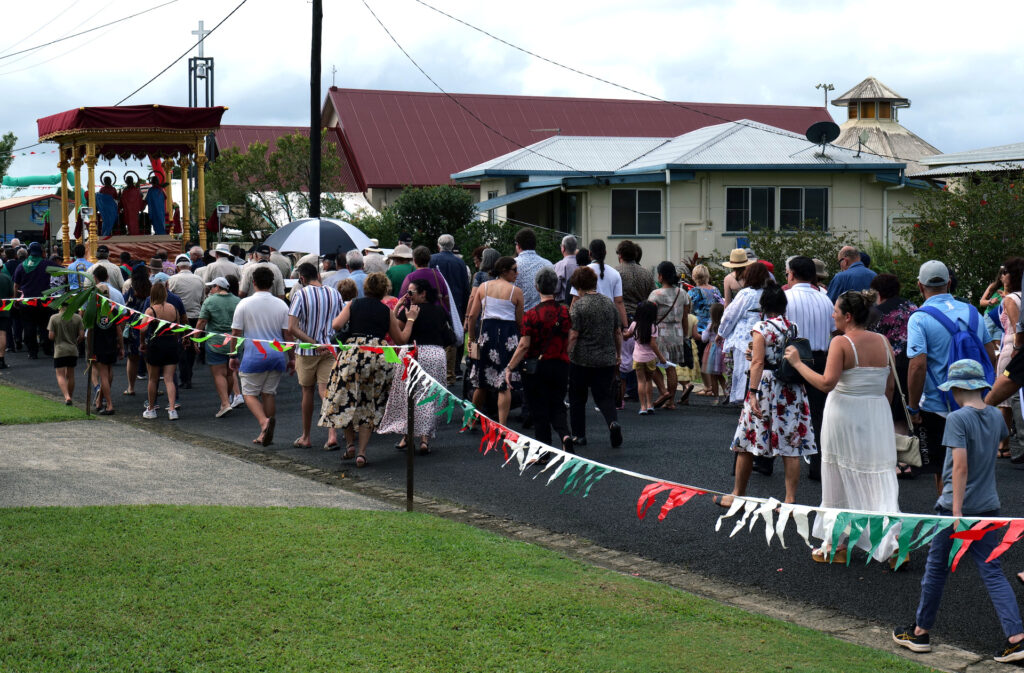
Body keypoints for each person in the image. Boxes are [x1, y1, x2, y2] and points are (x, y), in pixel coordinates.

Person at [892, 359, 1024, 664]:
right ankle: (1016, 637)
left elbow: (960, 465)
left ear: (956, 389)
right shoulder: (995, 417)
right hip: (989, 505)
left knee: (936, 568)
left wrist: (955, 511)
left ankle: (921, 631)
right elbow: (1001, 439)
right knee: (992, 570)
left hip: (956, 507)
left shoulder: (957, 419)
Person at [784, 289, 901, 565]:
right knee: (879, 476)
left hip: (845, 414)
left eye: (835, 311)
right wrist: (878, 412)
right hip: (877, 414)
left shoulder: (841, 342)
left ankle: (836, 543)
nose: (831, 314)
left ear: (848, 316)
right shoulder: (884, 342)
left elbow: (826, 383)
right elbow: (890, 386)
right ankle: (893, 543)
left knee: (837, 475)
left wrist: (797, 363)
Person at [716, 285, 816, 508]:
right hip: (790, 389)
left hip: (767, 386)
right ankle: (790, 501)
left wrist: (752, 392)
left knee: (747, 439)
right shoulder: (792, 327)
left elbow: (759, 362)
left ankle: (737, 494)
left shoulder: (761, 327)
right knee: (791, 445)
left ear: (763, 306)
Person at [907, 260, 997, 494]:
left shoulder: (919, 317)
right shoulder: (973, 312)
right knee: (976, 468)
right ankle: (976, 523)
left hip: (939, 405)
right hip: (976, 403)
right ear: (949, 283)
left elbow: (918, 366)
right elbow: (990, 355)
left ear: (920, 286)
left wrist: (913, 407)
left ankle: (951, 522)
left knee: (945, 471)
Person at [319, 272, 399, 467]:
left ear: (366, 288)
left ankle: (349, 444)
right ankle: (362, 452)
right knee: (369, 403)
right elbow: (401, 339)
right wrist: (411, 319)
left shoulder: (353, 304)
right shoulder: (386, 310)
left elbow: (336, 325)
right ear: (384, 290)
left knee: (347, 399)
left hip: (353, 354)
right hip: (378, 355)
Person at [379, 279, 452, 454]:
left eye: (411, 292)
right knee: (429, 396)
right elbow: (447, 335)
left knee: (408, 395)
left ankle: (407, 436)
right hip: (435, 354)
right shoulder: (440, 311)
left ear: (423, 293)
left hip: (414, 353)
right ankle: (425, 438)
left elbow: (397, 331)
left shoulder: (410, 312)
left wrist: (398, 308)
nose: (408, 295)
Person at [505, 267, 573, 457]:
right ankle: (565, 436)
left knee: (539, 409)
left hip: (536, 367)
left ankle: (543, 454)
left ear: (536, 287)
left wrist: (510, 367)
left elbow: (524, 345)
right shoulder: (565, 313)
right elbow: (571, 336)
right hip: (560, 364)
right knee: (557, 404)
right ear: (556, 287)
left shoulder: (531, 315)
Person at [784, 255, 836, 482]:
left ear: (792, 274)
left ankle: (766, 459)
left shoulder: (786, 297)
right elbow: (834, 329)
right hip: (821, 358)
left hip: (792, 358)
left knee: (783, 409)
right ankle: (817, 465)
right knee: (818, 414)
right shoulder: (826, 299)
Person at [231, 266, 293, 445]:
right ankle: (265, 432)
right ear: (272, 283)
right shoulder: (281, 304)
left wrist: (233, 355)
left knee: (249, 394)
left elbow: (235, 332)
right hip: (276, 355)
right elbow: (287, 334)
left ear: (253, 282)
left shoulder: (244, 304)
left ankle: (264, 423)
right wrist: (292, 358)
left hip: (254, 355)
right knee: (268, 394)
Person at [287, 263, 343, 451]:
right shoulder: (335, 294)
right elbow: (340, 323)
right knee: (326, 390)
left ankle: (306, 436)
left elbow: (292, 327)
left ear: (302, 278)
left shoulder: (300, 295)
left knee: (307, 392)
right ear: (318, 275)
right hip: (330, 348)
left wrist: (313, 342)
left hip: (307, 351)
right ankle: (332, 433)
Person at [567, 266, 623, 449]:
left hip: (581, 359)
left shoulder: (578, 307)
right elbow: (617, 332)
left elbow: (574, 334)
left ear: (578, 286)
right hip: (606, 358)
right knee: (604, 396)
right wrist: (618, 354)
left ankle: (579, 435)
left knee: (577, 398)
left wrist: (567, 352)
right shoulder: (608, 304)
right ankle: (612, 423)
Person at [466, 256, 524, 426]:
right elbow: (520, 322)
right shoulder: (516, 292)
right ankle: (502, 424)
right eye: (514, 269)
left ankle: (470, 420)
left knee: (481, 382)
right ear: (505, 271)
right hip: (508, 336)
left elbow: (472, 316)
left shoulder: (483, 287)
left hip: (487, 335)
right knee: (504, 382)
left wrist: (472, 339)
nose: (517, 273)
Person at [869, 273, 918, 463]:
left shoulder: (877, 313)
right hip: (912, 361)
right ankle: (906, 458)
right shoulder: (912, 307)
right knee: (905, 412)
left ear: (878, 291)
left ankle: (897, 460)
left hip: (889, 365)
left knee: (892, 412)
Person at [718, 261, 771, 404]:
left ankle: (745, 398)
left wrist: (722, 333)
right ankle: (760, 397)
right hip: (766, 334)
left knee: (743, 369)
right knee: (761, 367)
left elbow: (730, 316)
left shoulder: (745, 294)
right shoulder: (770, 293)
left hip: (744, 337)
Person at [197, 277, 244, 417]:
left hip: (216, 342)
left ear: (217, 287)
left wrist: (195, 339)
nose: (210, 290)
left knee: (219, 374)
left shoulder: (210, 301)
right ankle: (227, 399)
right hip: (235, 342)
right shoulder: (238, 301)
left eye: (212, 287)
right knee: (230, 373)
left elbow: (202, 321)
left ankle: (225, 403)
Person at [648, 261, 691, 409]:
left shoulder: (655, 294)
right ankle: (670, 402)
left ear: (660, 276)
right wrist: (685, 336)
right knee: (671, 368)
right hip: (677, 334)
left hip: (659, 334)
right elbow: (685, 317)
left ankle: (663, 391)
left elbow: (649, 316)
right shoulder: (683, 293)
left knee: (650, 364)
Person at [993, 259, 1024, 458]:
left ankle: (1003, 444)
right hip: (1014, 344)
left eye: (1005, 272)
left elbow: (1017, 326)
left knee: (1004, 401)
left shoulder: (1010, 299)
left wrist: (1015, 348)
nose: (1002, 276)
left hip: (1011, 347)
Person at [430, 234, 470, 385]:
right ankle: (453, 371)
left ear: (438, 245)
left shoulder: (432, 259)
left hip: (436, 303)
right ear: (452, 246)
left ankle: (436, 371)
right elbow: (465, 287)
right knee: (454, 337)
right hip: (456, 304)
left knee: (436, 338)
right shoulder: (460, 263)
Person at [141, 282, 181, 420]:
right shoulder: (173, 309)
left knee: (153, 379)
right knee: (169, 379)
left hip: (156, 343)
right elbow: (178, 328)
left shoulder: (151, 310)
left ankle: (151, 409)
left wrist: (142, 342)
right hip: (171, 342)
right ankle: (172, 409)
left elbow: (143, 329)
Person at [569, 239, 627, 329]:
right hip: (608, 321)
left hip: (586, 320)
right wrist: (625, 326)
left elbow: (575, 299)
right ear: (605, 253)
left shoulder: (582, 272)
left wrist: (569, 323)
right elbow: (619, 302)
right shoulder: (615, 273)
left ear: (589, 253)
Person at [167, 254, 205, 389]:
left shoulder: (172, 279)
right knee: (192, 348)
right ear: (189, 266)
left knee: (181, 348)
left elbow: (168, 298)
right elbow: (202, 299)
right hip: (195, 316)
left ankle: (185, 377)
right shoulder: (199, 280)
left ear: (177, 267)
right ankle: (188, 375)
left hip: (179, 318)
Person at [624, 300, 668, 415]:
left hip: (638, 358)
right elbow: (653, 344)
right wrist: (661, 357)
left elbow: (627, 336)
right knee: (649, 381)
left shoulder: (634, 324)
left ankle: (642, 407)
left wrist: (621, 334)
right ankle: (650, 405)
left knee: (640, 382)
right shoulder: (653, 326)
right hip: (650, 358)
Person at [13, 242, 55, 360]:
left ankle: (32, 352)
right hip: (44, 302)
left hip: (27, 303)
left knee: (28, 326)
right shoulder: (46, 264)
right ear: (41, 251)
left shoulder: (21, 266)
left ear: (29, 252)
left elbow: (16, 285)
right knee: (44, 325)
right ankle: (46, 348)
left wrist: (16, 299)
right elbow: (62, 270)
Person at [89, 284, 124, 415]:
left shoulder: (94, 312)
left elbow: (90, 333)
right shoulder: (113, 310)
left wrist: (89, 350)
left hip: (99, 346)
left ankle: (109, 404)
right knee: (108, 372)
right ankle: (99, 401)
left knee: (103, 375)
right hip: (111, 345)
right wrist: (121, 346)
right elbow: (119, 331)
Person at [121, 266, 151, 396]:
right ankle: (153, 386)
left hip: (133, 328)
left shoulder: (131, 291)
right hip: (148, 326)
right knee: (150, 360)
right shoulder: (151, 289)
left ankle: (130, 387)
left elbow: (125, 309)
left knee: (132, 359)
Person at [47, 306, 84, 405]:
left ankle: (66, 396)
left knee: (60, 374)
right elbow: (81, 335)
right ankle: (70, 396)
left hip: (60, 350)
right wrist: (75, 341)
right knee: (71, 375)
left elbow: (51, 336)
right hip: (73, 349)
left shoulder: (54, 318)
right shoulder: (77, 318)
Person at [513, 227, 554, 312]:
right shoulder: (548, 264)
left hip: (521, 315)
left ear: (518, 245)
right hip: (544, 314)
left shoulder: (512, 264)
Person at [701, 302, 727, 403]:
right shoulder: (724, 325)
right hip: (722, 350)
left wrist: (703, 332)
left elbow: (704, 339)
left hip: (712, 351)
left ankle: (716, 398)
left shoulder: (710, 325)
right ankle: (726, 393)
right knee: (720, 375)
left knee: (713, 375)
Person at [552, 235, 578, 303]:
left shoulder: (559, 265)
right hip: (580, 302)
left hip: (564, 303)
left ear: (563, 248)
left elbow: (556, 289)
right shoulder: (581, 264)